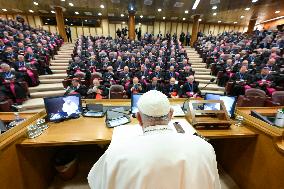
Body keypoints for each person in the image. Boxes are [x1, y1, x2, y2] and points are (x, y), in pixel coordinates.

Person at [88, 90, 221, 189]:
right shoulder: (204, 147)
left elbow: (95, 182)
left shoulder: (115, 153)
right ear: (170, 115)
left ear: (139, 118)